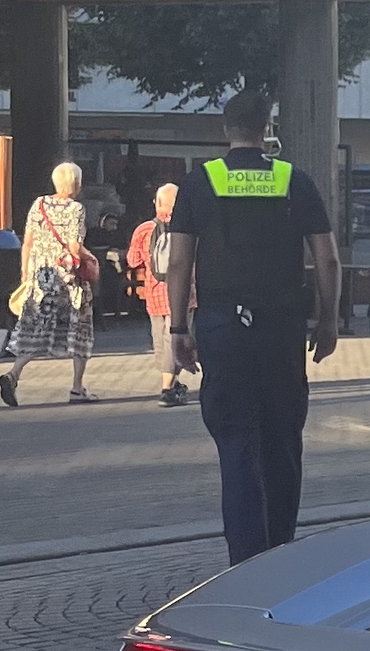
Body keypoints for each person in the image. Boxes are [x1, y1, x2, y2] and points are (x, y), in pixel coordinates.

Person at [163, 88, 341, 562]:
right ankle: (281, 551)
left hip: (222, 327)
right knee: (283, 439)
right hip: (283, 329)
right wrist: (328, 323)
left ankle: (244, 559)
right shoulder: (293, 179)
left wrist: (178, 329)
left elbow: (178, 263)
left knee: (237, 442)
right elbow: (328, 260)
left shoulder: (200, 182)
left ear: (226, 128)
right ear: (268, 127)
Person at [0, 161, 98, 407]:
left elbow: (28, 242)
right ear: (76, 183)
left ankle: (13, 375)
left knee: (36, 331)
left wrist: (25, 274)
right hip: (69, 281)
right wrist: (91, 257)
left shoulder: (39, 204)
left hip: (42, 281)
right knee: (80, 332)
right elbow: (74, 246)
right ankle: (77, 388)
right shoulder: (76, 209)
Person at [126, 180, 190, 404]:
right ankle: (168, 388)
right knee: (176, 337)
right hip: (182, 293)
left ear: (157, 203)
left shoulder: (144, 229)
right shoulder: (187, 227)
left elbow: (132, 261)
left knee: (160, 341)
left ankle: (169, 384)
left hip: (154, 295)